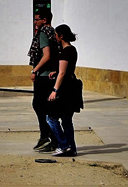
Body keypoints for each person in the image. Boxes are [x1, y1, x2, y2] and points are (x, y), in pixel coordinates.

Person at [45, 24, 82, 157]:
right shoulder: (73, 50)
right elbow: (66, 70)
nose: (55, 37)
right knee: (66, 120)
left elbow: (62, 73)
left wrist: (55, 90)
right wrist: (57, 72)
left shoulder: (65, 52)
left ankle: (64, 144)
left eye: (56, 35)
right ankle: (71, 148)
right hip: (72, 87)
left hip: (65, 89)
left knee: (51, 118)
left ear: (61, 36)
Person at [29, 7, 58, 152]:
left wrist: (35, 70)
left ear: (44, 20)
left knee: (39, 106)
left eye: (37, 19)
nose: (35, 22)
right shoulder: (54, 33)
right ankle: (46, 135)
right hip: (51, 75)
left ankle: (49, 136)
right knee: (44, 107)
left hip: (43, 76)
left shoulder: (43, 33)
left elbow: (46, 55)